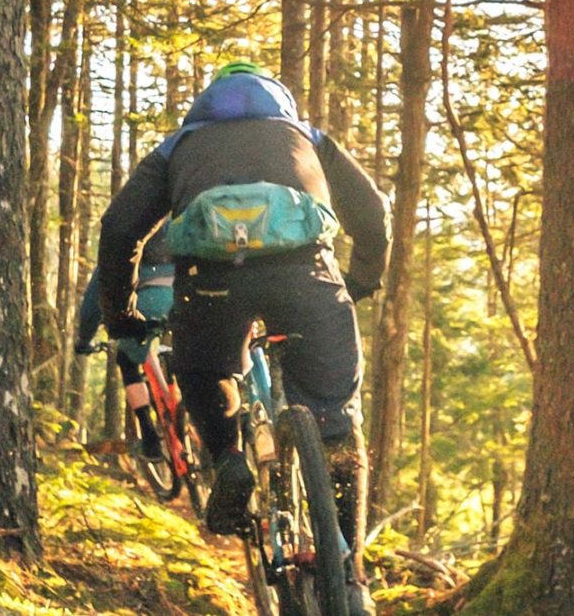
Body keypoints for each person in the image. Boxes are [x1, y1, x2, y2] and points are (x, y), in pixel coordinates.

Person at [94, 60, 389, 614]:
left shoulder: (178, 147)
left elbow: (119, 228)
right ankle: (349, 573)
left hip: (211, 282)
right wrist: (361, 280)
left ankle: (229, 458)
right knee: (338, 423)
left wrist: (123, 315)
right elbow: (371, 212)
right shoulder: (307, 137)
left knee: (204, 371)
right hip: (306, 276)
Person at [74, 225, 176, 463]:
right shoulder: (178, 218)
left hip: (147, 302)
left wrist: (85, 339)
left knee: (127, 360)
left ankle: (150, 438)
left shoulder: (124, 231)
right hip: (186, 295)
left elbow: (92, 301)